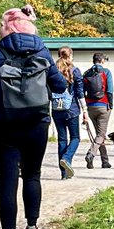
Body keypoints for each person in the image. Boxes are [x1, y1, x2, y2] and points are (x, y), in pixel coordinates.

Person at [0, 6, 66, 229]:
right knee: (33, 175)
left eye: (1, 25)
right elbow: (60, 85)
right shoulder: (42, 50)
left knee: (7, 183)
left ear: (9, 27)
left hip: (3, 126)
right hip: (36, 124)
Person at [51, 46, 84, 180]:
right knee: (75, 137)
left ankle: (63, 174)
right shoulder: (75, 70)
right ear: (70, 55)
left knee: (62, 139)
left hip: (56, 109)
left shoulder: (53, 70)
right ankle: (67, 158)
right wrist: (85, 110)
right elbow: (80, 92)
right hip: (72, 109)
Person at [82, 52, 114, 171]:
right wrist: (110, 104)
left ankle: (105, 161)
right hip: (103, 105)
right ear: (102, 61)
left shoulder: (86, 73)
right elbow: (110, 90)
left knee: (99, 134)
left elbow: (82, 91)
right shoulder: (106, 72)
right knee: (101, 134)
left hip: (91, 106)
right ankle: (91, 154)